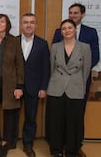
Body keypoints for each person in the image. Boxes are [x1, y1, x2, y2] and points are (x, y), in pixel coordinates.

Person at [52, 3, 99, 157]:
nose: (73, 15)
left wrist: (77, 75)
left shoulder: (90, 33)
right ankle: (58, 148)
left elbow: (92, 59)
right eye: (70, 12)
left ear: (83, 14)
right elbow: (52, 65)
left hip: (78, 83)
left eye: (76, 13)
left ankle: (75, 147)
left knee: (76, 118)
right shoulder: (57, 37)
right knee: (58, 118)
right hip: (58, 85)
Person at [46, 19, 91, 157]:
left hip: (75, 88)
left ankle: (72, 151)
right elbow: (52, 68)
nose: (67, 30)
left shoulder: (85, 47)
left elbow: (86, 71)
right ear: (61, 31)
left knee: (73, 121)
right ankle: (56, 150)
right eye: (64, 28)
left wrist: (80, 86)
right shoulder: (55, 47)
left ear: (75, 29)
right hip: (56, 88)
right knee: (56, 121)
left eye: (70, 27)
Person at [0, 14, 24, 157]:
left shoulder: (14, 41)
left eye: (2, 21)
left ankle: (5, 144)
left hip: (10, 83)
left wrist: (20, 86)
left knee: (9, 114)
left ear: (7, 25)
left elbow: (19, 64)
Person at [18, 13, 50, 157]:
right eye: (25, 22)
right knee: (12, 115)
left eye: (32, 22)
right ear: (21, 24)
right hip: (15, 87)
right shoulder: (13, 41)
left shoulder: (42, 44)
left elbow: (46, 67)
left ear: (36, 25)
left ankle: (28, 144)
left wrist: (43, 87)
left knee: (31, 117)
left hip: (34, 87)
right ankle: (11, 141)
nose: (29, 25)